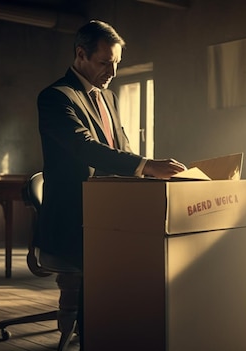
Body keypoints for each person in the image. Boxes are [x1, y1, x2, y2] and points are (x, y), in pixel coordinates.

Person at [36, 20, 186, 348]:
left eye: (117, 64)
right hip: (73, 220)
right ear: (80, 54)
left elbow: (121, 151)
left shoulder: (109, 98)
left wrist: (148, 170)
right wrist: (147, 166)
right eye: (105, 63)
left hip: (110, 213)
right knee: (122, 265)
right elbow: (85, 147)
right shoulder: (55, 97)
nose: (112, 73)